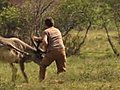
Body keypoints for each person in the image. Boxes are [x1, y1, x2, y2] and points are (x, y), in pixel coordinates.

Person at [32, 17, 66, 81]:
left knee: (43, 65)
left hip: (52, 50)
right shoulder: (57, 30)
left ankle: (41, 81)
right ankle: (61, 82)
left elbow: (45, 41)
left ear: (45, 25)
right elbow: (51, 38)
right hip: (61, 50)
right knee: (61, 69)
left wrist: (45, 50)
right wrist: (37, 38)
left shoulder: (46, 31)